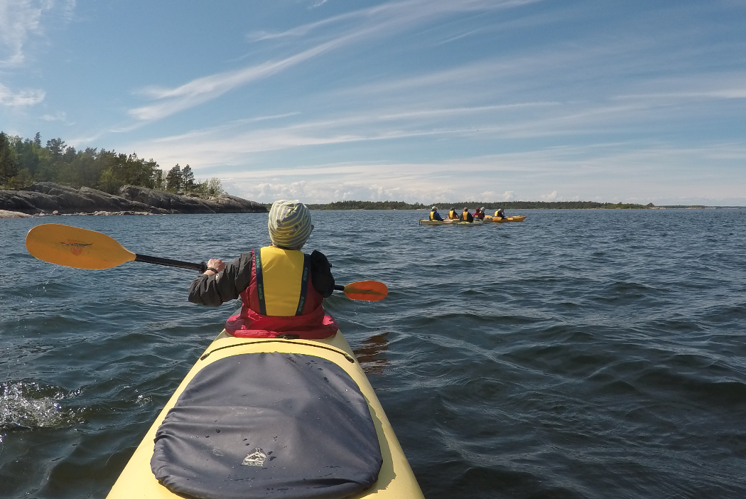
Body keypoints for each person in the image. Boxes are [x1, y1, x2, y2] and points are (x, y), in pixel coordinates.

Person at [188, 200, 339, 339]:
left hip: (256, 333)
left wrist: (212, 270)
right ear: (306, 234)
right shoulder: (318, 266)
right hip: (309, 334)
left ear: (271, 229)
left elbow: (197, 293)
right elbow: (327, 290)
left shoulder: (247, 263)